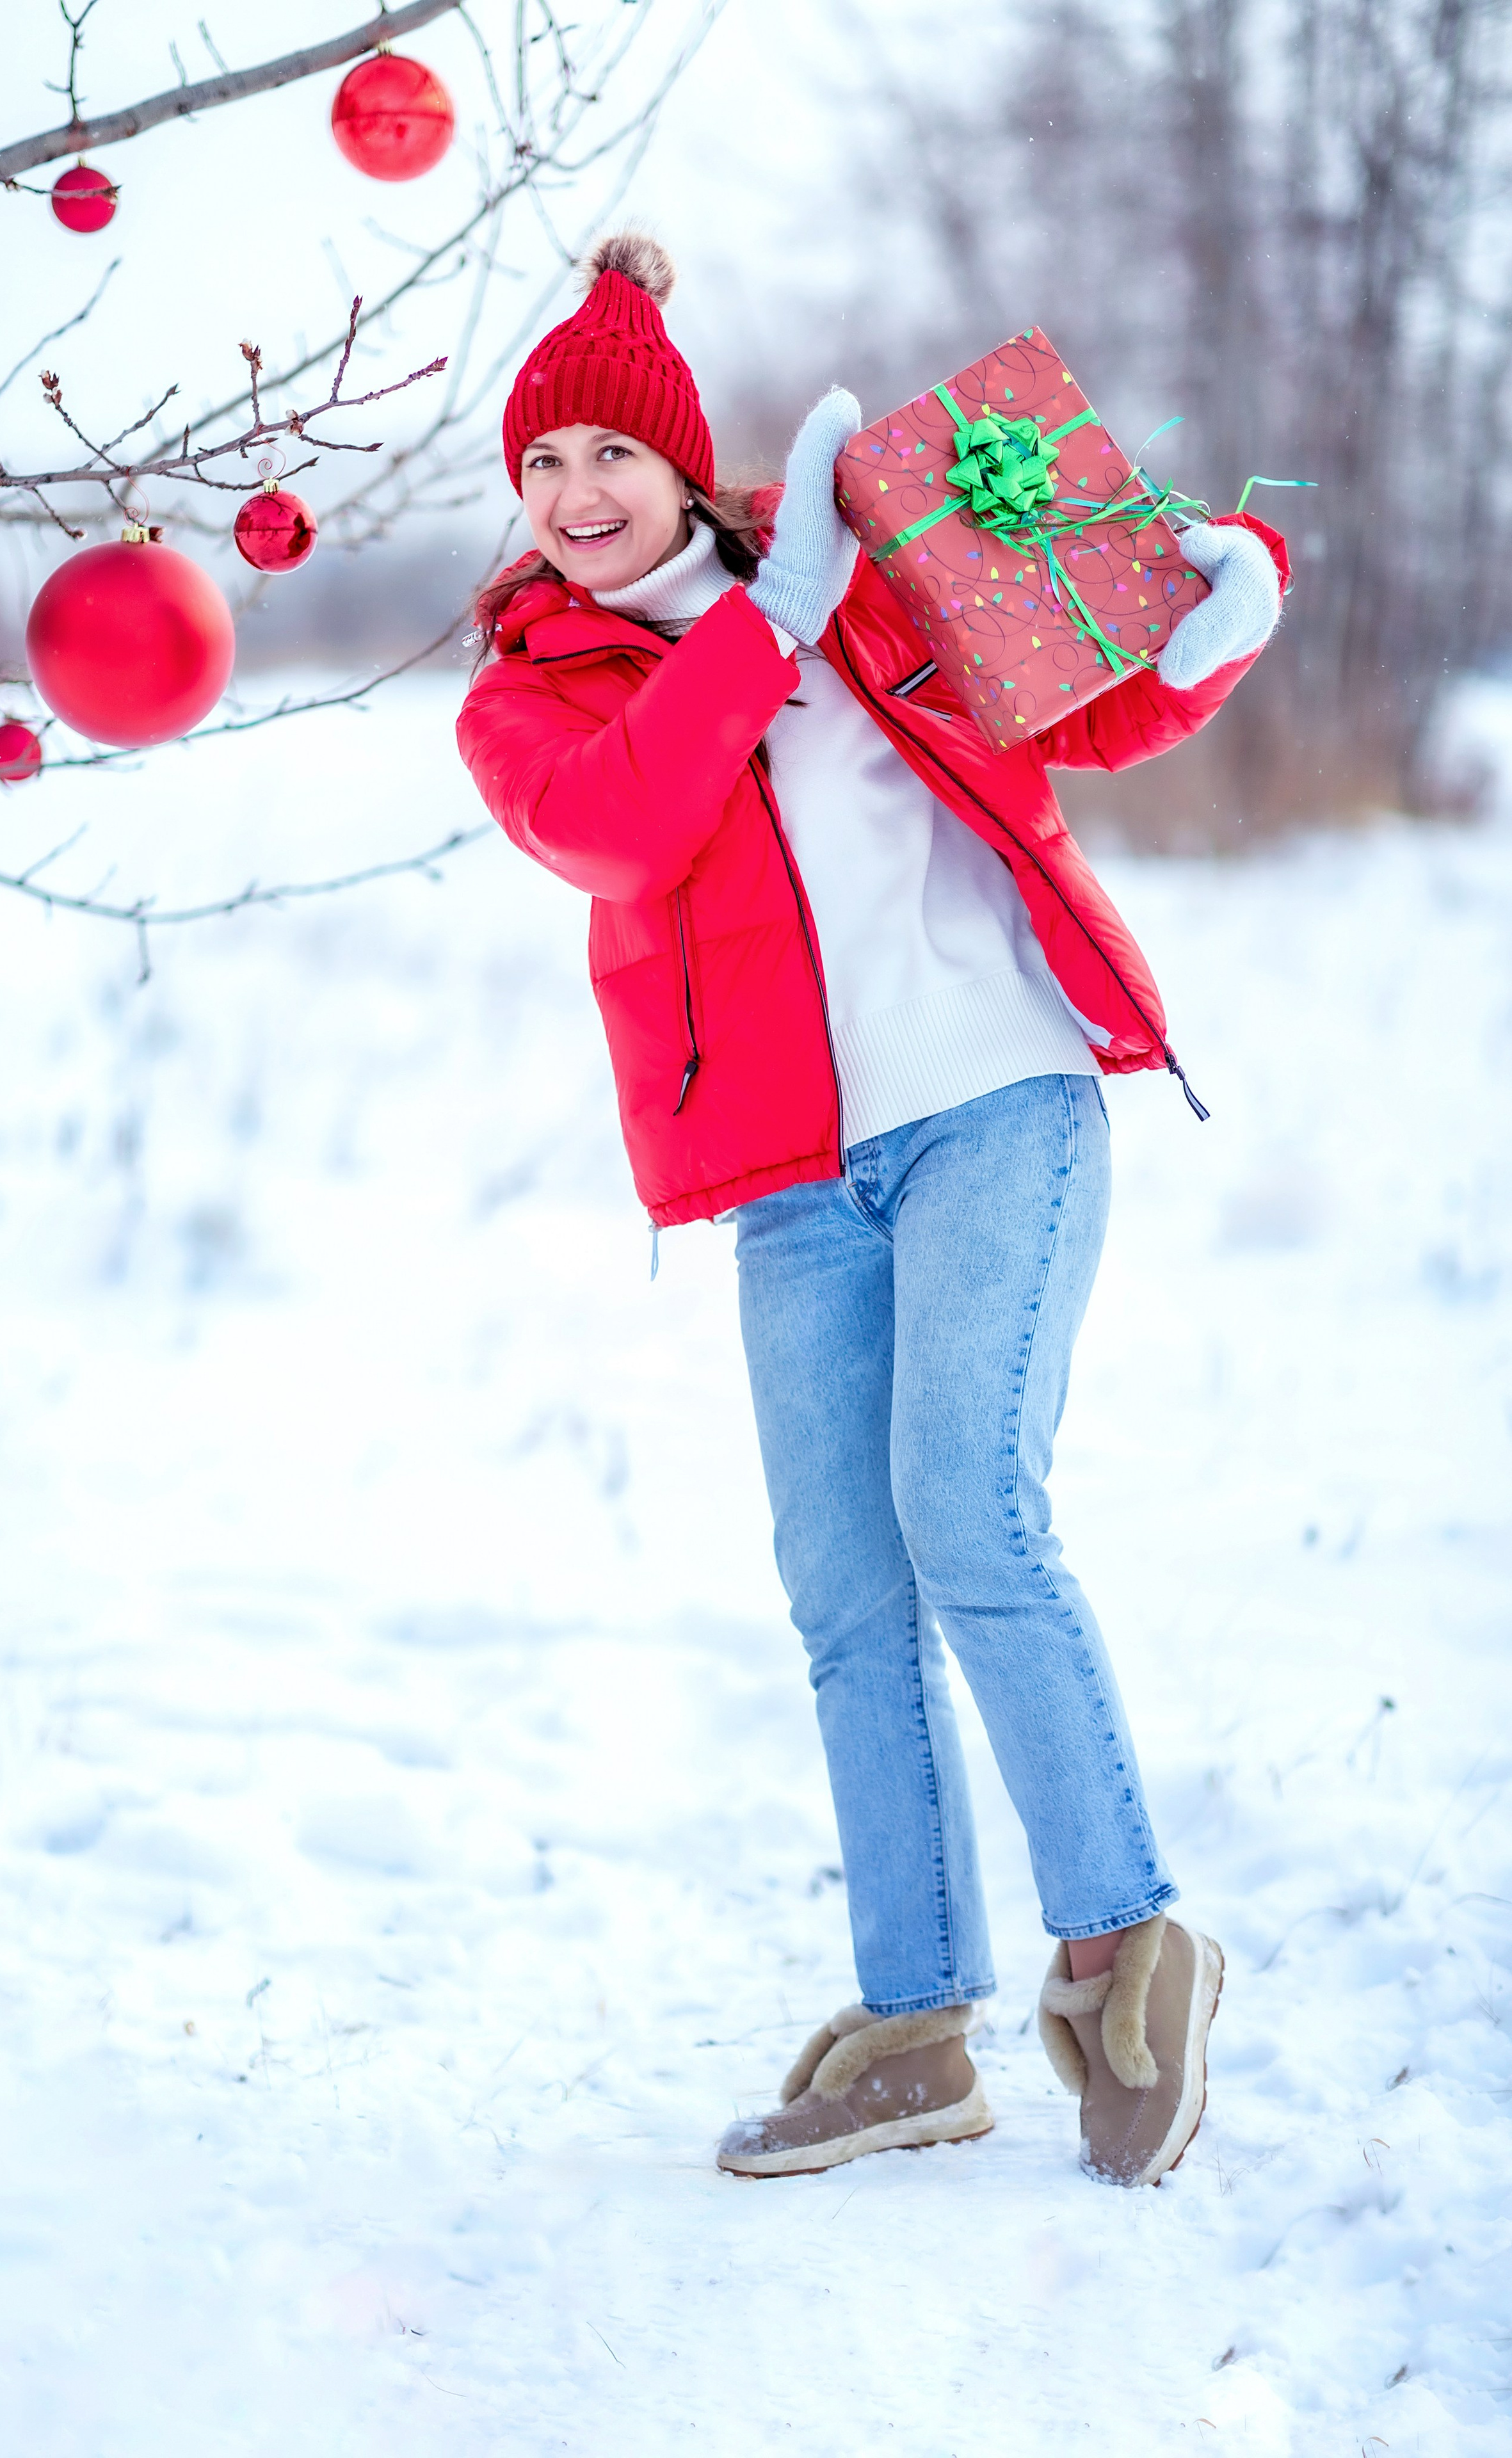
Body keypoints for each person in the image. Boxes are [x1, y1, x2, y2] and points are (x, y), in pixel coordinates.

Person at [457, 233, 1289, 2187]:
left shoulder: (867, 575)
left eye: (610, 455)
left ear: (683, 464)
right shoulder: (535, 698)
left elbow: (1061, 715)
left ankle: (1125, 1953)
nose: (577, 498)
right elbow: (626, 822)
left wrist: (1211, 634)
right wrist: (773, 622)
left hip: (996, 1100)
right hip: (795, 1190)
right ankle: (916, 2025)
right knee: (846, 1597)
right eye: (543, 466)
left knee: (966, 1509)